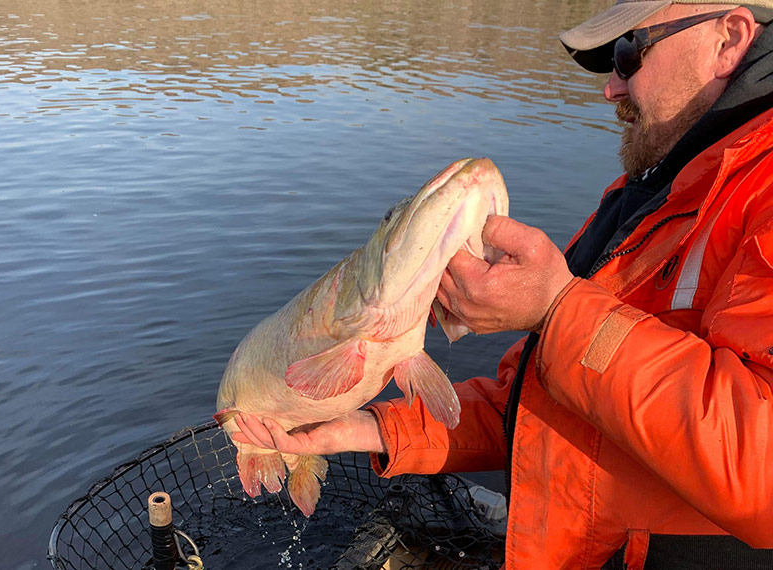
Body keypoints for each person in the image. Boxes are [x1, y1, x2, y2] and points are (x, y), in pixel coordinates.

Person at [231, 0, 773, 567]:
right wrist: (365, 429)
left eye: (626, 54)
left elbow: (758, 466)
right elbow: (540, 400)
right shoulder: (646, 196)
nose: (612, 88)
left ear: (728, 39)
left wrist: (557, 309)